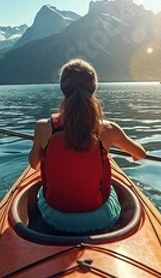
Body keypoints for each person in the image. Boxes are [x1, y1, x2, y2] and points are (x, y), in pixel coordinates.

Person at [28, 58, 147, 233]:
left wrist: (40, 142)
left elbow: (34, 164)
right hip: (98, 218)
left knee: (39, 194)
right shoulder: (108, 129)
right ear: (94, 88)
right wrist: (125, 150)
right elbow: (140, 154)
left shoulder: (43, 127)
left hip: (54, 218)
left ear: (63, 88)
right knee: (115, 190)